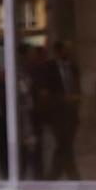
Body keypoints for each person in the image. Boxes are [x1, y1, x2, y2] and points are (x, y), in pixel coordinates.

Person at [29, 39, 82, 181]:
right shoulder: (49, 68)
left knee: (64, 146)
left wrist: (76, 99)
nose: (69, 52)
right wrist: (63, 99)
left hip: (72, 113)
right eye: (66, 49)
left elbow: (77, 87)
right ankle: (74, 177)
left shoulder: (73, 67)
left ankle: (52, 177)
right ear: (58, 51)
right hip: (57, 114)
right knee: (65, 144)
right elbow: (45, 93)